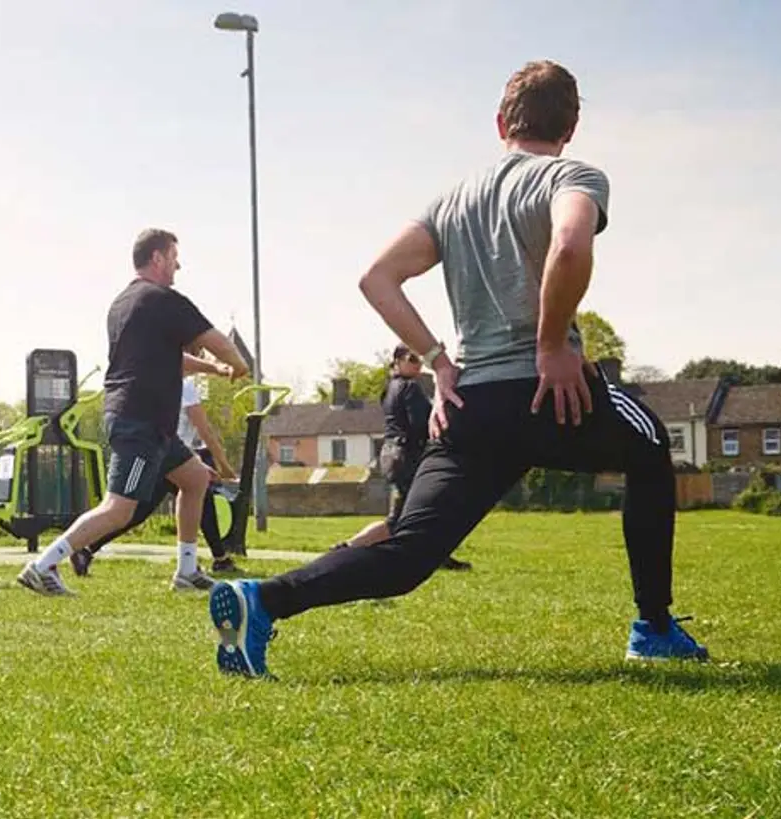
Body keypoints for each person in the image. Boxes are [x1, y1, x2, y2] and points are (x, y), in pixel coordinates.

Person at [208, 61, 709, 679]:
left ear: (500, 122)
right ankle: (653, 627)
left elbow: (377, 278)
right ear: (571, 128)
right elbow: (572, 245)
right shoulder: (571, 175)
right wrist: (552, 344)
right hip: (552, 393)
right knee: (653, 446)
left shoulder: (452, 201)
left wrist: (440, 363)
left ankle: (265, 600)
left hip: (471, 404)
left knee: (408, 554)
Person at [15, 228, 248, 597]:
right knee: (119, 509)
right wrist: (237, 363)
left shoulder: (124, 303)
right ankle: (43, 565)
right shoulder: (164, 299)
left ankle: (187, 571)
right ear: (157, 258)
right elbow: (214, 339)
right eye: (174, 257)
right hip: (140, 422)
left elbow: (169, 357)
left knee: (194, 480)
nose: (178, 265)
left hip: (149, 423)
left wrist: (213, 370)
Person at [69, 371, 238, 578]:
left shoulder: (158, 382)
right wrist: (223, 464)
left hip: (161, 453)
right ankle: (216, 560)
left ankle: (86, 550)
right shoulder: (184, 387)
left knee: (138, 511)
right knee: (195, 498)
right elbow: (204, 429)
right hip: (171, 456)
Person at [327, 346, 472, 571]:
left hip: (391, 453)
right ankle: (348, 548)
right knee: (414, 512)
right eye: (412, 359)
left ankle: (436, 555)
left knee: (417, 510)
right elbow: (419, 424)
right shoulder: (410, 387)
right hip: (407, 454)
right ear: (397, 361)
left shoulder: (389, 388)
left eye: (420, 359)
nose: (419, 364)